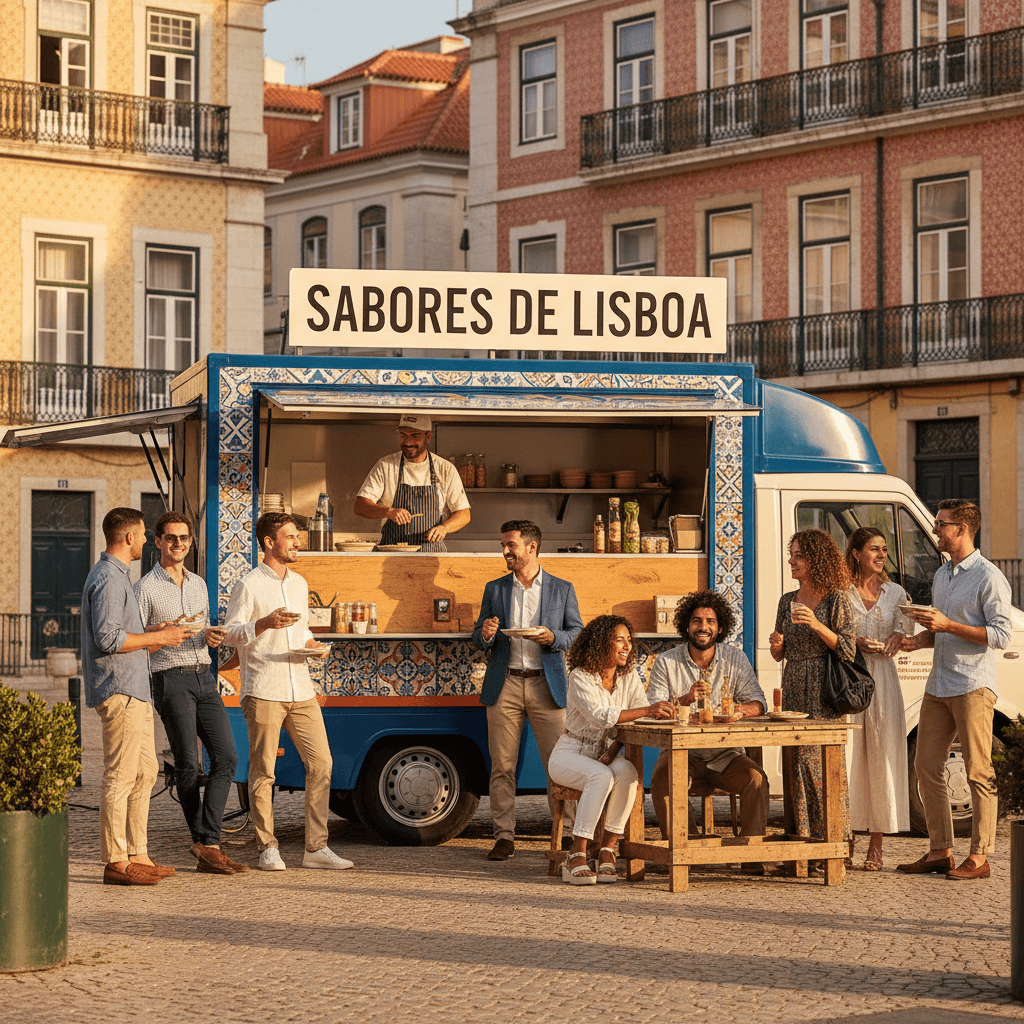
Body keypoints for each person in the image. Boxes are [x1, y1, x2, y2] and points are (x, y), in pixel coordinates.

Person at [222, 512, 351, 871]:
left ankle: (316, 848)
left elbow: (301, 633)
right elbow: (230, 633)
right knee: (263, 770)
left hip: (301, 686)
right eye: (291, 536)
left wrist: (315, 645)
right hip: (263, 687)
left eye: (297, 536)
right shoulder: (248, 585)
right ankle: (267, 847)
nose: (297, 542)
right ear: (269, 542)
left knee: (321, 762)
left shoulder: (299, 583)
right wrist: (263, 623)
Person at [897, 499, 1011, 881]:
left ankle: (980, 856)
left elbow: (999, 634)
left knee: (979, 771)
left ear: (962, 529)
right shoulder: (942, 575)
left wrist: (947, 626)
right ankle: (940, 850)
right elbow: (942, 628)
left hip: (973, 686)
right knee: (926, 766)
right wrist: (920, 639)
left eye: (941, 525)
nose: (935, 530)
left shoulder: (989, 577)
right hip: (939, 683)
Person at [82, 507, 193, 886]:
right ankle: (115, 861)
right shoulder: (109, 580)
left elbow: (123, 633)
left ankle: (137, 854)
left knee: (145, 772)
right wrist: (158, 638)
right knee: (120, 775)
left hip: (136, 691)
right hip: (120, 690)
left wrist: (154, 629)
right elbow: (109, 639)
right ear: (128, 537)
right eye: (144, 534)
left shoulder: (118, 577)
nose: (147, 541)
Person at [135, 511, 247, 876]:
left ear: (190, 542)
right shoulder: (145, 588)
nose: (178, 544)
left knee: (227, 757)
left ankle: (206, 842)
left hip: (203, 674)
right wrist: (162, 631)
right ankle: (207, 843)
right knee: (188, 764)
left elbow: (202, 630)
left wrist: (212, 637)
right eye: (171, 538)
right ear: (158, 542)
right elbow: (135, 641)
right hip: (169, 679)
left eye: (184, 538)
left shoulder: (198, 584)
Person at [472, 519, 584, 861]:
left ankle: (565, 835)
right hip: (504, 684)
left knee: (559, 765)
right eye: (503, 545)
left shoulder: (561, 588)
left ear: (531, 547)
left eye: (511, 545)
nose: (504, 551)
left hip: (546, 684)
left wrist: (553, 638)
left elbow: (577, 632)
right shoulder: (495, 589)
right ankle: (504, 836)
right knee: (502, 765)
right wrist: (488, 632)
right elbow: (478, 638)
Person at [647, 590, 769, 870]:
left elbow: (759, 702)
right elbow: (653, 709)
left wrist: (739, 711)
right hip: (682, 753)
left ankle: (749, 856)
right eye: (696, 621)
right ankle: (686, 853)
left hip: (725, 754)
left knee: (756, 780)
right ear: (686, 626)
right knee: (663, 783)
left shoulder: (735, 658)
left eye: (710, 621)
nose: (703, 627)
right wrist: (685, 700)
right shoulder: (666, 662)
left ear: (720, 627)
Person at [548, 616, 675, 884]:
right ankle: (577, 852)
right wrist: (648, 709)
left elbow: (638, 715)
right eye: (620, 639)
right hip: (569, 754)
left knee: (628, 772)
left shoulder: (628, 677)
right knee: (601, 776)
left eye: (629, 640)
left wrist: (661, 711)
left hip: (602, 754)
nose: (627, 646)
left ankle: (607, 848)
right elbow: (601, 716)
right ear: (601, 642)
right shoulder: (580, 676)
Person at [769, 528, 855, 865]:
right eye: (791, 554)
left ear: (815, 559)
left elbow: (848, 649)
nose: (791, 560)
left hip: (824, 687)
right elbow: (780, 654)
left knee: (823, 763)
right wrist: (778, 645)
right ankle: (801, 844)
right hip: (793, 685)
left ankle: (833, 842)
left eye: (798, 555)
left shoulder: (836, 598)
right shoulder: (786, 600)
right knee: (795, 763)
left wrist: (817, 625)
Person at [844, 527, 910, 871]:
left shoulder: (896, 592)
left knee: (883, 756)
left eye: (884, 549)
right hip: (850, 679)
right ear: (856, 553)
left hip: (883, 680)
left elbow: (905, 631)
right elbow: (836, 634)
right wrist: (854, 641)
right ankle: (847, 839)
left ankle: (877, 845)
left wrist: (898, 637)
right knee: (850, 757)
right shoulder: (841, 592)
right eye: (874, 548)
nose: (882, 554)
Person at [353, 413, 471, 552]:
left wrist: (444, 528)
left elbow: (464, 514)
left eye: (415, 436)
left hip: (431, 555)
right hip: (392, 554)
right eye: (403, 435)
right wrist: (388, 512)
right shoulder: (385, 465)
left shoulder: (445, 469)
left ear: (428, 437)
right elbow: (360, 506)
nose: (408, 442)